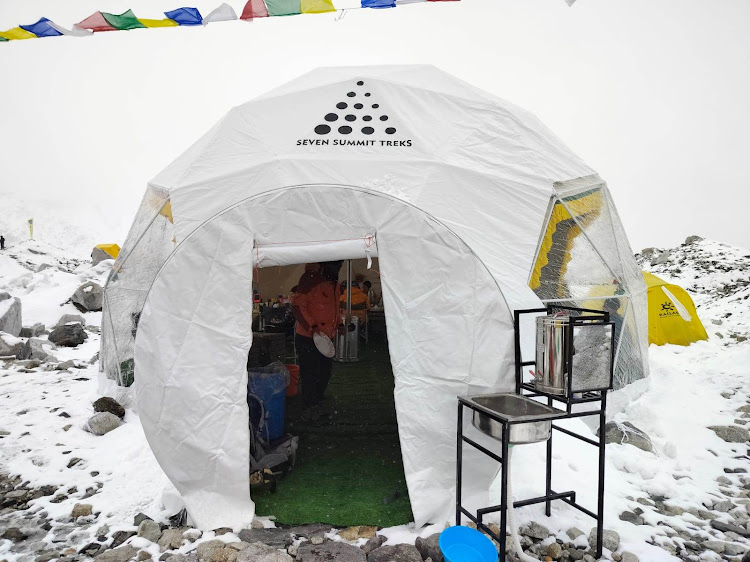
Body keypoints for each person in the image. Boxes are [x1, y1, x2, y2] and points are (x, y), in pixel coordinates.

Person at [291, 261, 343, 419]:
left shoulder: (335, 284)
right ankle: (309, 408)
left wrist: (339, 323)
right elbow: (297, 306)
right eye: (335, 265)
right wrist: (312, 328)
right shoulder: (310, 280)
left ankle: (317, 402)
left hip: (325, 340)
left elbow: (333, 308)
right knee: (311, 374)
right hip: (308, 338)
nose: (337, 269)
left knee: (324, 373)